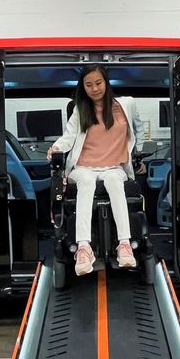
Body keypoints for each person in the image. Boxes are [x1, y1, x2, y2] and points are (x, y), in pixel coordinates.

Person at [48, 65, 143, 276]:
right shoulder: (80, 109)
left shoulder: (127, 104)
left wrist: (137, 154)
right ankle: (84, 248)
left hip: (114, 166)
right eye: (88, 84)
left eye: (98, 83)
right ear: (83, 87)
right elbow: (68, 137)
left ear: (106, 83)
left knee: (114, 182)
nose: (94, 88)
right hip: (83, 167)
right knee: (87, 182)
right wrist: (56, 148)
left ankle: (124, 245)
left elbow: (138, 128)